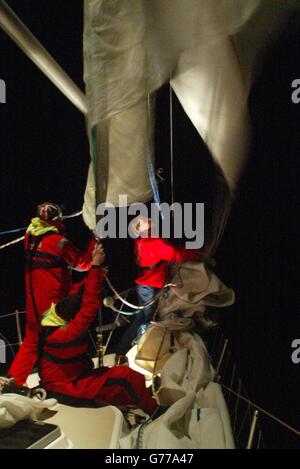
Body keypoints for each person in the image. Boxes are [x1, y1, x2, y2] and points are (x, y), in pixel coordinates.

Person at [38, 243, 157, 415]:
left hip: (72, 377)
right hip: (68, 387)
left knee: (119, 382)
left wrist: (96, 271)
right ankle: (154, 412)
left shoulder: (55, 318)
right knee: (128, 378)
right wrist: (94, 267)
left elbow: (79, 293)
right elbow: (89, 307)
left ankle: (130, 404)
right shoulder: (62, 335)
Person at [9, 202, 96, 385]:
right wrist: (94, 243)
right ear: (57, 219)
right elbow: (83, 264)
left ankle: (13, 382)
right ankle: (59, 382)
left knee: (31, 343)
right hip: (52, 306)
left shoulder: (29, 237)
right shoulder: (58, 242)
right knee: (58, 345)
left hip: (33, 304)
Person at [114, 217, 203, 356]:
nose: (147, 218)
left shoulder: (141, 242)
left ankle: (122, 349)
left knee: (140, 319)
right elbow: (176, 254)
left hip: (144, 286)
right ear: (138, 228)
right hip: (149, 287)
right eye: (143, 220)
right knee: (148, 321)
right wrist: (199, 253)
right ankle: (139, 351)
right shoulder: (153, 241)